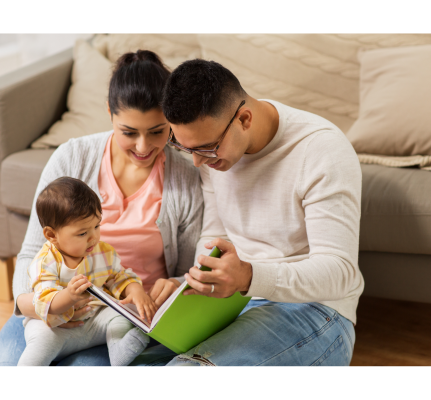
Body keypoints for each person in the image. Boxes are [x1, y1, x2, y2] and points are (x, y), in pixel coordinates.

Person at [130, 59, 364, 366]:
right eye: (185, 148)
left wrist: (249, 277)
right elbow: (216, 234)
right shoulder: (212, 155)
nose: (198, 162)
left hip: (315, 310)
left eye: (207, 148)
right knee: (94, 364)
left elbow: (340, 273)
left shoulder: (321, 150)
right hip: (232, 302)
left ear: (244, 118)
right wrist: (192, 283)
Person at [0, 50, 203, 366]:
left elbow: (188, 271)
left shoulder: (185, 179)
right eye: (129, 132)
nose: (143, 147)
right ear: (109, 112)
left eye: (157, 131)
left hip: (121, 321)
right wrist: (36, 306)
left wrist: (173, 285)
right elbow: (31, 251)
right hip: (48, 309)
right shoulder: (71, 158)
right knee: (7, 368)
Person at [17, 177, 156, 366]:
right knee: (41, 341)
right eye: (82, 233)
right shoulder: (45, 261)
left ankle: (119, 353)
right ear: (52, 235)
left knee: (119, 314)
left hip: (93, 322)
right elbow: (44, 302)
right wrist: (69, 296)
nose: (93, 237)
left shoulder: (103, 252)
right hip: (56, 327)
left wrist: (136, 291)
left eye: (97, 226)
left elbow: (119, 277)